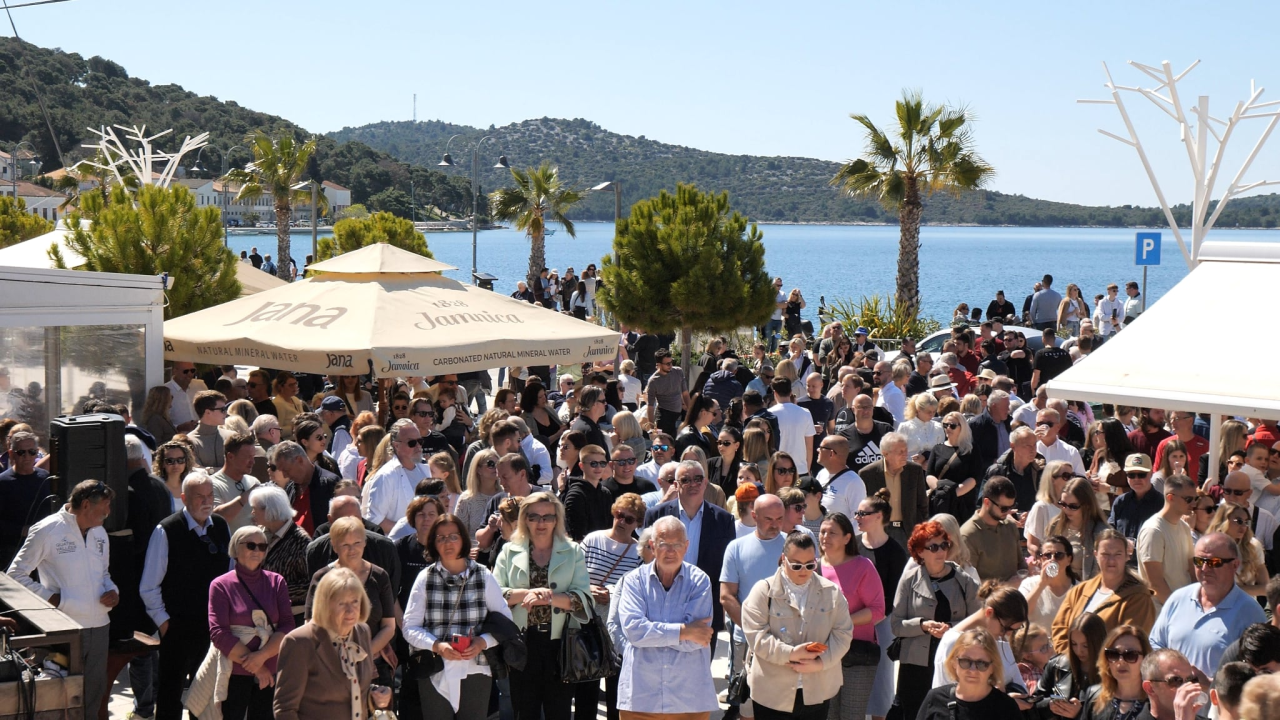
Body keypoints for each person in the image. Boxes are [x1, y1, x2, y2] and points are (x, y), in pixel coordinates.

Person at [7, 480, 117, 715]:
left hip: (100, 627)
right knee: (62, 696)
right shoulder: (48, 529)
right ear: (86, 504)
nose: (108, 512)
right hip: (65, 631)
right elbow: (14, 576)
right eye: (105, 506)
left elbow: (103, 573)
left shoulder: (100, 532)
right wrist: (54, 600)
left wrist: (113, 591)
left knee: (93, 696)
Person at [140, 472, 233, 720]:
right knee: (170, 694)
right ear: (184, 498)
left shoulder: (221, 527)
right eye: (199, 496)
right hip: (177, 629)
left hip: (213, 628)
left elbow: (231, 574)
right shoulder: (167, 530)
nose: (206, 501)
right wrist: (164, 623)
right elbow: (149, 585)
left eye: (210, 495)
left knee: (205, 696)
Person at [400, 513, 511, 720]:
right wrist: (437, 646)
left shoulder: (483, 575)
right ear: (433, 543)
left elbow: (505, 622)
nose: (447, 542)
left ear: (463, 540)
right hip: (435, 667)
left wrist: (482, 642)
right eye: (440, 537)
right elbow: (409, 627)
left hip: (476, 667)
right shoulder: (425, 578)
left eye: (453, 536)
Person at [493, 492, 591, 720]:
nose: (541, 523)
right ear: (524, 519)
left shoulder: (572, 551)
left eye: (548, 517)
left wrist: (548, 598)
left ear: (557, 519)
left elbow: (584, 598)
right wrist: (528, 594)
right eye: (534, 516)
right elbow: (495, 595)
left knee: (559, 712)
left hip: (561, 645)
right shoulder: (509, 551)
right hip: (521, 644)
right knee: (523, 711)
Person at [613, 516, 720, 720]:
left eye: (677, 544)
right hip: (640, 698)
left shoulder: (700, 581)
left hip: (689, 699)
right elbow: (635, 632)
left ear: (686, 546)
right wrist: (684, 631)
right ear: (652, 546)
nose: (671, 551)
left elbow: (697, 641)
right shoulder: (633, 581)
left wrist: (653, 634)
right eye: (664, 544)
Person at [740, 531, 853, 720]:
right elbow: (756, 637)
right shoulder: (763, 591)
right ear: (783, 559)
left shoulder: (832, 592)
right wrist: (791, 654)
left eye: (810, 565)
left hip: (818, 690)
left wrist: (820, 663)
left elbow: (843, 634)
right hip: (772, 693)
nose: (804, 570)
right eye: (796, 565)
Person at [189, 525, 294, 720]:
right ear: (236, 548)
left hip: (270, 670)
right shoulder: (220, 585)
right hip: (233, 671)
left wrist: (261, 657)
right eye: (251, 545)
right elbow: (219, 633)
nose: (257, 551)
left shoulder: (277, 582)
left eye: (262, 546)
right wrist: (257, 666)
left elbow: (287, 625)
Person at [891, 519, 983, 720]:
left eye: (944, 545)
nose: (941, 551)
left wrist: (951, 628)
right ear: (920, 552)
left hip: (952, 661)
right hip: (915, 665)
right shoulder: (909, 579)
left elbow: (979, 621)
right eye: (933, 547)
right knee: (913, 713)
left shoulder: (965, 580)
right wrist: (922, 625)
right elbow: (896, 625)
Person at [274, 567, 392, 720]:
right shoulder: (299, 642)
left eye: (355, 601)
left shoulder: (362, 632)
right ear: (325, 605)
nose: (351, 610)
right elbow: (284, 709)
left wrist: (376, 694)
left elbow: (350, 689)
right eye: (342, 603)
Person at [1149, 532, 1267, 680]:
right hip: (1172, 701)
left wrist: (1211, 686)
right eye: (1199, 561)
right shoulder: (1178, 599)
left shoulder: (1251, 613)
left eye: (1214, 562)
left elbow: (1260, 675)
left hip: (1218, 702)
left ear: (1235, 565)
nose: (1204, 568)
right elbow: (1155, 643)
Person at [644, 459, 736, 650]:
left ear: (705, 483)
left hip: (704, 604)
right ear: (676, 485)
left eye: (698, 479)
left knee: (700, 671)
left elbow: (726, 567)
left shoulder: (724, 520)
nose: (693, 484)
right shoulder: (655, 515)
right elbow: (647, 559)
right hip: (662, 600)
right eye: (686, 480)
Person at [304, 516, 398, 686]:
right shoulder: (322, 577)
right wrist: (344, 658)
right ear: (334, 546)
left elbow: (389, 626)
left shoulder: (379, 576)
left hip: (374, 664)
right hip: (332, 666)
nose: (352, 549)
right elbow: (312, 624)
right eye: (345, 545)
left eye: (357, 543)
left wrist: (362, 655)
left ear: (365, 543)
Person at [720, 493, 787, 720]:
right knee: (747, 708)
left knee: (781, 706)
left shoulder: (793, 546)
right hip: (746, 640)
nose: (775, 524)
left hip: (785, 641)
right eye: (769, 519)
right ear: (754, 515)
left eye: (780, 518)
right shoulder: (736, 548)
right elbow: (727, 596)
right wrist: (755, 630)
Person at [577, 493, 645, 718]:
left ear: (638, 524)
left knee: (617, 689)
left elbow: (638, 590)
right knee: (587, 689)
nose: (622, 522)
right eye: (619, 515)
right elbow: (575, 575)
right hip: (588, 623)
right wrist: (589, 589)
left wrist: (615, 595)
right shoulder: (593, 539)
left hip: (618, 627)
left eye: (629, 519)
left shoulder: (638, 553)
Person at [818, 513, 884, 720]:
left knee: (851, 715)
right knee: (826, 715)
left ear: (847, 538)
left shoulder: (863, 566)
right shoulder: (812, 567)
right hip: (822, 653)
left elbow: (877, 610)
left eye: (832, 533)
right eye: (822, 532)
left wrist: (841, 622)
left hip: (857, 652)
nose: (825, 537)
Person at [1050, 529, 1156, 654]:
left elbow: (1129, 644)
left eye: (1118, 554)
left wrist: (1091, 664)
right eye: (1105, 554)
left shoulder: (1138, 597)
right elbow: (1059, 628)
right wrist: (1072, 661)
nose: (1111, 560)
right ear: (1096, 555)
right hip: (1071, 668)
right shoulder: (1079, 591)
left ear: (1127, 556)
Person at [852, 490, 907, 719]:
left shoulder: (895, 551)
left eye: (863, 513)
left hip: (882, 623)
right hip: (853, 620)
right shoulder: (853, 545)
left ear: (879, 516)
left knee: (882, 678)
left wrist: (874, 616)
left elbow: (895, 594)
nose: (857, 517)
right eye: (857, 513)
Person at [917, 628, 1023, 720]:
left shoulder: (1006, 707)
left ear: (992, 667)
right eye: (965, 661)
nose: (972, 670)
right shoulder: (935, 699)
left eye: (981, 664)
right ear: (954, 662)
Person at [250, 484, 311, 621]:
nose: (252, 513)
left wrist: (273, 590)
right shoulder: (259, 533)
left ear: (269, 510)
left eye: (255, 509)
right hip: (263, 614)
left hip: (292, 617)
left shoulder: (300, 541)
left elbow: (309, 584)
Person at [1028, 611, 1105, 720]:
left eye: (1085, 646)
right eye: (1074, 644)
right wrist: (1050, 705)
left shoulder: (1113, 672)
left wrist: (1080, 714)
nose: (1079, 650)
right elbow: (1034, 704)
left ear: (1097, 643)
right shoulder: (1057, 665)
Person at [1136, 473, 1195, 609]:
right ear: (1170, 497)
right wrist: (1178, 609)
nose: (1193, 503)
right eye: (1188, 499)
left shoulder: (1184, 527)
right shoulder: (1153, 530)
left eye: (1195, 499)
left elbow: (1191, 570)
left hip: (1184, 607)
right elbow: (1155, 583)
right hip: (1161, 612)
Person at [859, 432, 929, 547]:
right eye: (900, 452)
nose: (905, 454)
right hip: (880, 531)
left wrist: (920, 528)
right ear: (885, 453)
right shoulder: (868, 474)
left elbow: (922, 504)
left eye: (906, 450)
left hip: (908, 531)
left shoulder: (915, 470)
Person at [362, 419, 431, 534]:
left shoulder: (426, 470)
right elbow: (375, 520)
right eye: (412, 443)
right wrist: (411, 532)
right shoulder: (385, 476)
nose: (418, 446)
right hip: (399, 547)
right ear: (396, 446)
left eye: (420, 441)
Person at [960, 476, 1028, 583]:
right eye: (1004, 508)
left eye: (1011, 506)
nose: (1008, 512)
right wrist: (1006, 586)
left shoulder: (1010, 526)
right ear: (987, 502)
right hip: (988, 598)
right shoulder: (968, 535)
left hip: (1016, 595)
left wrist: (1029, 570)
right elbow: (968, 582)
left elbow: (1020, 563)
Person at [0, 430, 51, 569]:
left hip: (44, 550)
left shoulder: (46, 478)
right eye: (21, 452)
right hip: (12, 550)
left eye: (32, 452)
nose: (27, 456)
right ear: (11, 454)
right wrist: (22, 530)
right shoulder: (3, 482)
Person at [1077, 625, 1152, 720]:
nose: (1121, 661)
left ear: (1146, 659)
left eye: (1130, 655)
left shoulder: (1156, 702)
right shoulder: (1094, 697)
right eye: (1114, 654)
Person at [1045, 478, 1110, 580]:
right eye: (1063, 504)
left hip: (1085, 590)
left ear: (1087, 505)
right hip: (1057, 586)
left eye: (1073, 506)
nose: (1066, 509)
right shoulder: (1055, 525)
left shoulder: (1101, 533)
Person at [926, 411, 985, 519]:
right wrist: (941, 493)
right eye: (945, 425)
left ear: (962, 428)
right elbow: (929, 475)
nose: (948, 428)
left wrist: (953, 494)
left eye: (952, 426)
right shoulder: (937, 448)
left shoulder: (971, 450)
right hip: (939, 502)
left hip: (962, 504)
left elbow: (974, 477)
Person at [274, 440, 338, 537]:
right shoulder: (291, 488)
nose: (284, 475)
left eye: (286, 470)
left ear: (299, 460)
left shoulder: (329, 483)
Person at [1208, 502, 1271, 597]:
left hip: (1246, 607)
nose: (1244, 526)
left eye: (1246, 522)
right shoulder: (1208, 546)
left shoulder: (1253, 545)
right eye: (1239, 521)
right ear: (1224, 520)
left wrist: (1232, 591)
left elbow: (1266, 588)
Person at [1020, 535, 1079, 630]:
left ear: (1069, 559)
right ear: (1040, 559)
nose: (1052, 559)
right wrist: (1041, 585)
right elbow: (1020, 614)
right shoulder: (1029, 584)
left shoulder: (1079, 589)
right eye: (1047, 555)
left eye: (1058, 555)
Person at [646, 349, 689, 437]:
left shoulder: (678, 372)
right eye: (667, 364)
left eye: (671, 362)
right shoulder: (653, 381)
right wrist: (651, 426)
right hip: (664, 415)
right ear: (659, 364)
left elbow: (685, 394)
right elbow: (650, 405)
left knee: (679, 442)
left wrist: (690, 410)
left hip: (679, 413)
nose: (670, 365)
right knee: (663, 442)